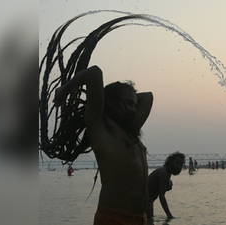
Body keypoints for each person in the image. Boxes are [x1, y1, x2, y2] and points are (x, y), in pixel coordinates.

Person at [53, 65, 153, 225]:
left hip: (140, 220)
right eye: (129, 103)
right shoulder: (99, 126)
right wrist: (64, 90)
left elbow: (148, 97)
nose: (134, 109)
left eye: (135, 104)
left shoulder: (130, 130)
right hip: (113, 219)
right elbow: (94, 73)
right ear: (111, 102)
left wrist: (129, 98)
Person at [147, 152, 185, 219]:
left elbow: (157, 189)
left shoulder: (165, 172)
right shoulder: (164, 173)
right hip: (145, 201)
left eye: (181, 165)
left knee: (149, 220)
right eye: (177, 163)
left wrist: (167, 187)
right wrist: (169, 216)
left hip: (148, 201)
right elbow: (161, 197)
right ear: (170, 162)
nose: (179, 166)